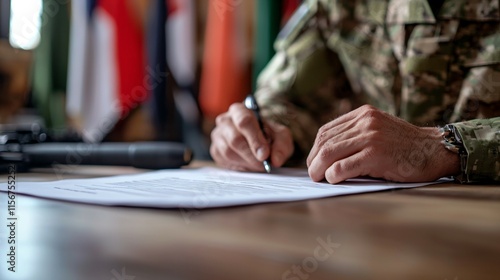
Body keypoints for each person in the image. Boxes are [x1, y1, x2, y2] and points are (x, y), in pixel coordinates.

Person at [210, 0, 500, 184]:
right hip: (378, 222)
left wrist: (444, 147)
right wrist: (265, 132)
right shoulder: (337, 5)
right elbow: (289, 99)